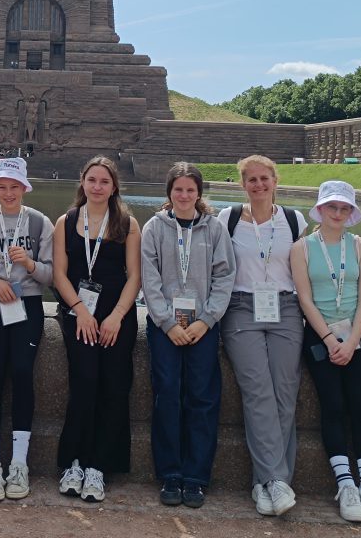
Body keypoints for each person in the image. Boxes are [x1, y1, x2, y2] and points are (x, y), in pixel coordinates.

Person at [291, 181, 361, 524]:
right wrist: (331, 340)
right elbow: (305, 299)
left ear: (351, 213)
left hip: (358, 337)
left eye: (344, 208)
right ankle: (345, 483)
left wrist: (351, 340)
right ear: (320, 210)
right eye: (332, 207)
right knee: (332, 405)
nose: (338, 213)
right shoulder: (301, 248)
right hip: (320, 337)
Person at [216, 156, 307, 516]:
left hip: (285, 308)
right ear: (243, 185)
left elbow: (303, 271)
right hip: (241, 308)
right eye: (251, 180)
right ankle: (277, 481)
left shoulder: (294, 220)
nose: (259, 185)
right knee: (257, 391)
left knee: (285, 393)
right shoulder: (228, 219)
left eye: (264, 178)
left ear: (275, 181)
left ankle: (265, 483)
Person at [142, 162, 235, 509]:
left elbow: (225, 276)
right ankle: (170, 473)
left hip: (203, 326)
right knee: (167, 394)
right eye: (178, 189)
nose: (184, 195)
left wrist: (206, 320)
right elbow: (149, 278)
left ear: (199, 193)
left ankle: (196, 477)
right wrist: (167, 322)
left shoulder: (214, 228)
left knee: (202, 398)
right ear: (169, 192)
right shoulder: (154, 227)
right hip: (164, 326)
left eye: (190, 190)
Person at [52, 156, 141, 503]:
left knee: (114, 387)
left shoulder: (127, 224)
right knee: (85, 382)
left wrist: (117, 315)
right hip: (79, 314)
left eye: (104, 181)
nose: (98, 187)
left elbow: (134, 276)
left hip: (116, 316)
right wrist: (79, 311)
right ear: (83, 182)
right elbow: (59, 274)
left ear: (114, 186)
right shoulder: (66, 221)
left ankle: (99, 466)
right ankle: (73, 462)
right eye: (92, 180)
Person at [0, 157, 54, 501]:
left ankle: (19, 463)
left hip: (27, 303)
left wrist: (30, 263)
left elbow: (51, 275)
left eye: (14, 187)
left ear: (24, 188)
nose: (8, 193)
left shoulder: (39, 222)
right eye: (2, 186)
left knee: (22, 373)